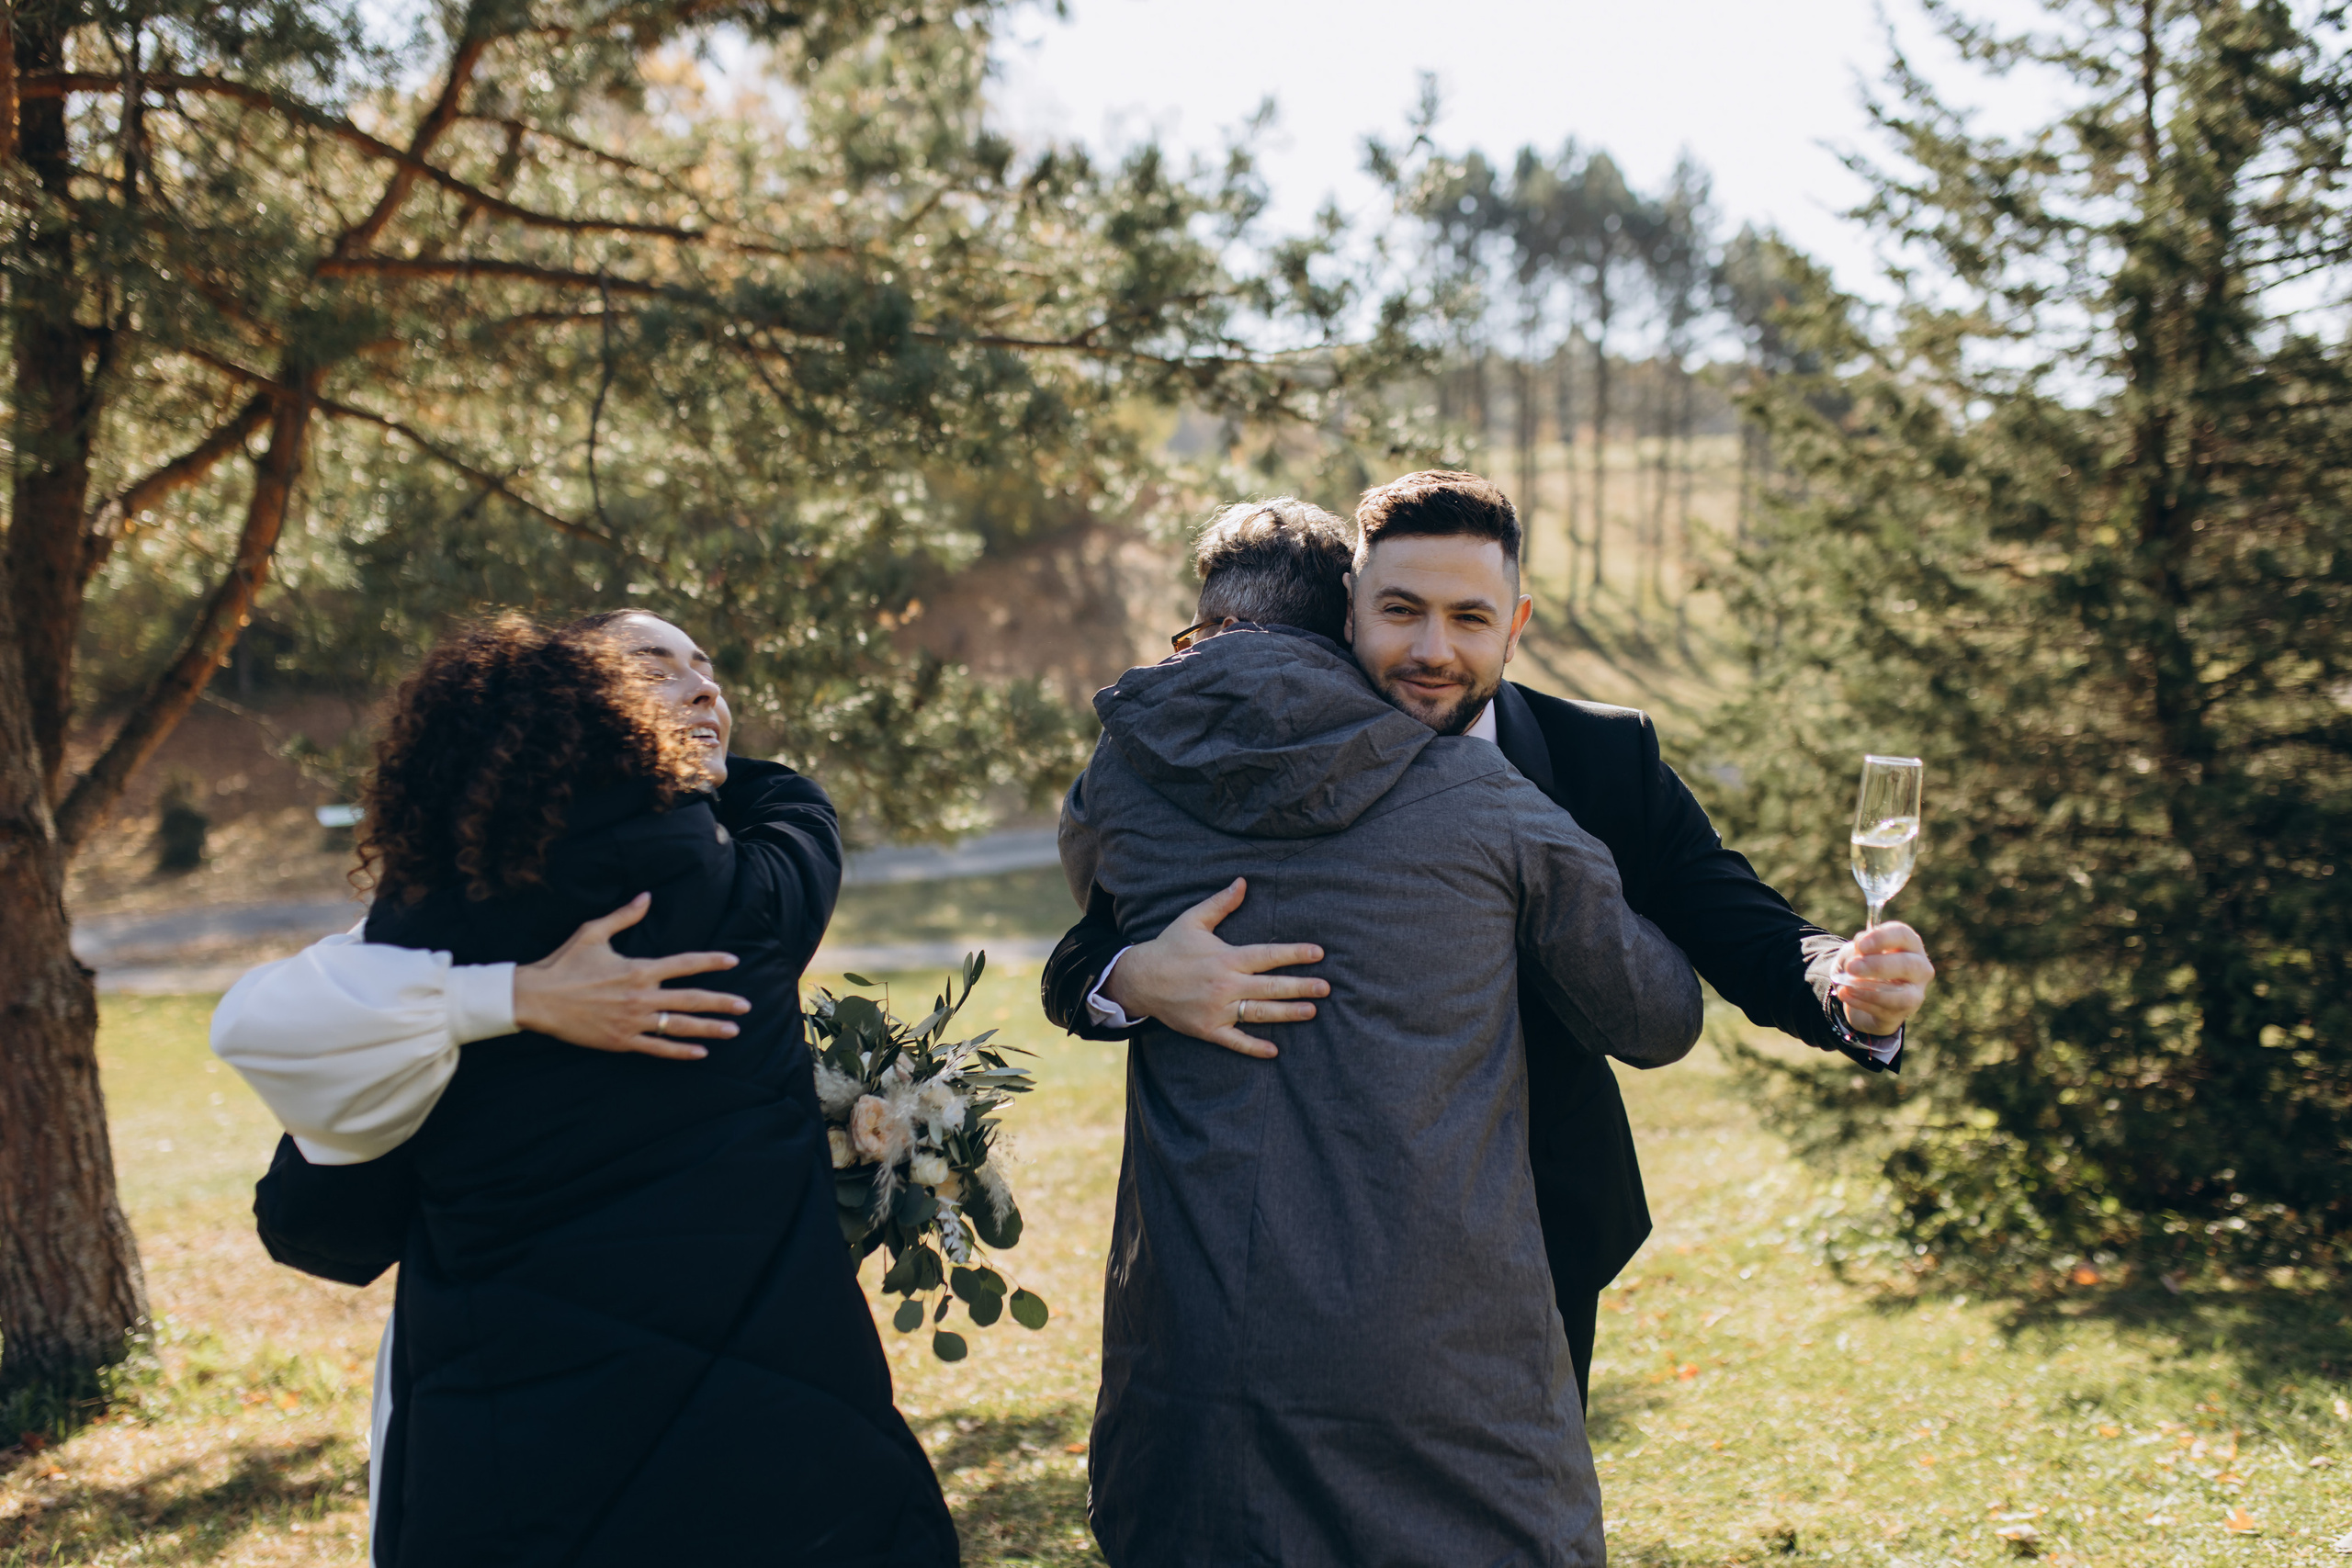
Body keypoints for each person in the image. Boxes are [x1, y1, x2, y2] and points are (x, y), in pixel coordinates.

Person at [1042, 474, 1938, 1404]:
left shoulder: (1603, 757)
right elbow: (1089, 943)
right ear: (1349, 609)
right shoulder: (1265, 757)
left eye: (1470, 618)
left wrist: (1841, 981)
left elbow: (1728, 915)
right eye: (1401, 611)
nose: (1432, 651)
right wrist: (1133, 976)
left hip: (1539, 1222)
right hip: (1291, 1253)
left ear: (1516, 624)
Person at [213, 613, 956, 1568]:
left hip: (514, 1432)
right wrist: (698, 764)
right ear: (582, 701)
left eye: (708, 669)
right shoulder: (754, 892)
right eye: (655, 667)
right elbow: (794, 804)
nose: (704, 688)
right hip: (783, 1427)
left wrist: (501, 985)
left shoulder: (428, 929)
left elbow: (317, 1216)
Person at [1061, 502, 1705, 1566]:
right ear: (1345, 622)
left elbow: (1098, 905)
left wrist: (1132, 966)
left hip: (1188, 1333)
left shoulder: (1119, 777)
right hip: (1436, 1350)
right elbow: (1657, 1018)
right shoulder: (1482, 796)